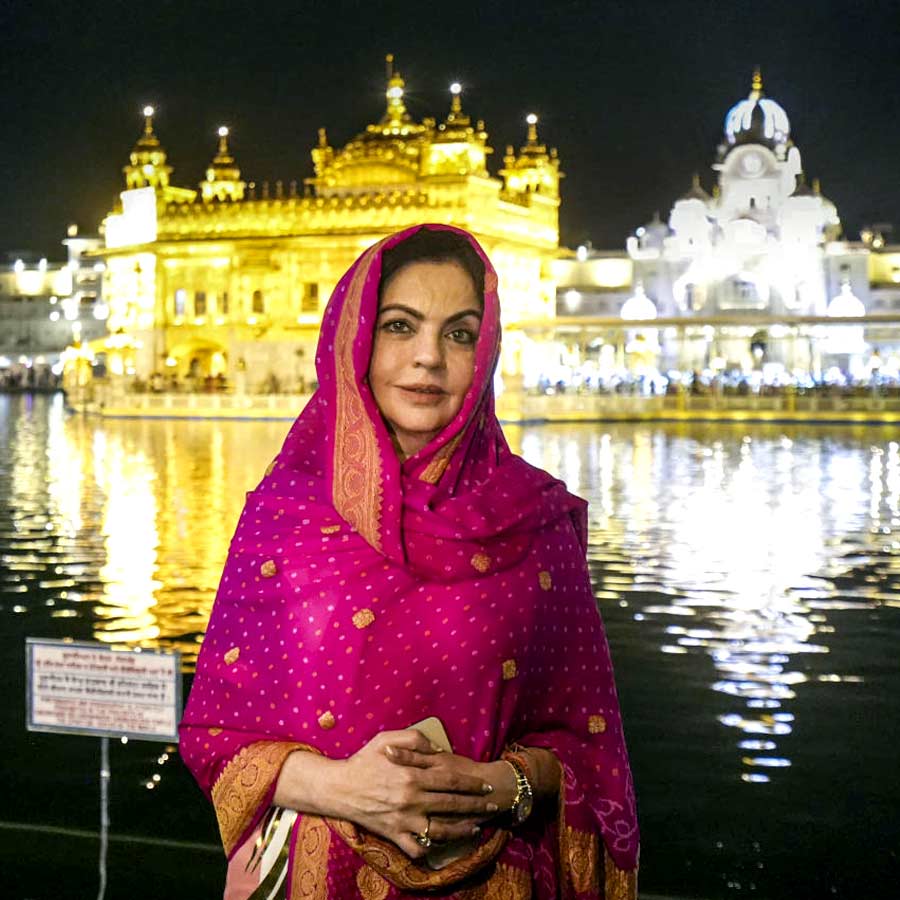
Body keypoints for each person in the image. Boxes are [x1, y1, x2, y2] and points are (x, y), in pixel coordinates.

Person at [180, 224, 639, 899]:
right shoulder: (285, 516)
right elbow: (216, 734)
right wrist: (344, 789)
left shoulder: (535, 522)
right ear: (355, 339)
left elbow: (587, 744)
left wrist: (501, 786)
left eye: (459, 333)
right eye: (400, 326)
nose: (428, 358)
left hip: (489, 877)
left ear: (485, 353)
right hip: (315, 873)